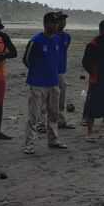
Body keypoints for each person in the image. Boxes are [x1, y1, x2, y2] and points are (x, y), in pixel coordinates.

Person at [23, 12, 68, 155]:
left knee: (53, 113)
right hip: (37, 83)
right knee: (34, 115)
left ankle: (53, 140)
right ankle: (29, 144)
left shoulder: (57, 40)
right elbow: (26, 60)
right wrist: (38, 72)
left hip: (53, 82)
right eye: (53, 23)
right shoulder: (36, 40)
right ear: (46, 24)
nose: (56, 26)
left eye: (57, 23)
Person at [55, 12, 76, 130]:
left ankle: (61, 121)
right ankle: (42, 123)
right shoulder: (51, 36)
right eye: (60, 20)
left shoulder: (67, 37)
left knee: (61, 97)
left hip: (61, 70)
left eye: (64, 20)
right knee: (47, 98)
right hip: (51, 71)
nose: (63, 22)